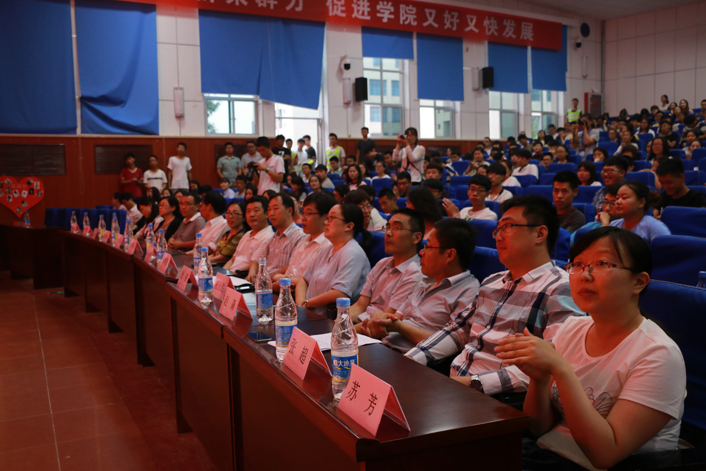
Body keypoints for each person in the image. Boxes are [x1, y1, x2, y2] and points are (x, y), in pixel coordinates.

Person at [500, 227, 685, 471]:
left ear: (638, 282)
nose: (584, 275)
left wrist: (560, 369)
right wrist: (540, 378)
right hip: (545, 454)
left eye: (601, 263)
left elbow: (605, 455)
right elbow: (538, 427)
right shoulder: (572, 328)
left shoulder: (658, 354)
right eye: (577, 264)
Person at [406, 195, 584, 398]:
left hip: (499, 398)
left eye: (507, 227)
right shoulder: (492, 281)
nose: (498, 237)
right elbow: (458, 329)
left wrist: (470, 384)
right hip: (455, 383)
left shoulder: (561, 288)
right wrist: (410, 360)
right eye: (497, 230)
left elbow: (554, 364)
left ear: (540, 233)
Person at [361, 217, 482, 355]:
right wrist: (379, 319)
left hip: (412, 359)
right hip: (383, 348)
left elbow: (451, 344)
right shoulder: (425, 281)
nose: (421, 252)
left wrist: (399, 327)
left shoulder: (469, 292)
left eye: (428, 247)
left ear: (450, 255)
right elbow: (396, 318)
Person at [348, 208, 423, 328]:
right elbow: (360, 306)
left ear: (416, 238)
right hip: (360, 325)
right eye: (388, 227)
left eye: (397, 228)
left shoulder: (415, 273)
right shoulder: (382, 263)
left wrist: (345, 331)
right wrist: (339, 323)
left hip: (377, 332)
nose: (388, 233)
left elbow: (387, 319)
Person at [295, 203, 371, 319]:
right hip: (309, 312)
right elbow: (303, 280)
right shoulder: (327, 249)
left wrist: (307, 304)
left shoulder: (352, 253)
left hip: (329, 319)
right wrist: (300, 303)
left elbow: (339, 293)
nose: (326, 222)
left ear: (349, 226)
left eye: (331, 218)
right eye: (327, 218)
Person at [271, 192, 336, 291]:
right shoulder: (303, 240)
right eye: (303, 213)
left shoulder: (328, 246)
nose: (303, 218)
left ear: (326, 217)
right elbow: (291, 270)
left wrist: (283, 281)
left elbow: (313, 283)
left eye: (309, 213)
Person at [246, 192, 305, 281]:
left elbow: (293, 266)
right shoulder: (274, 236)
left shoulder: (300, 236)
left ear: (289, 211)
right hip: (265, 282)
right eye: (269, 209)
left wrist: (267, 278)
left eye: (276, 208)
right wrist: (252, 274)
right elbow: (258, 259)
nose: (271, 213)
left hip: (281, 284)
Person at [224, 196, 274, 273]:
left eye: (256, 210)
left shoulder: (268, 237)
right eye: (248, 211)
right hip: (231, 274)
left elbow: (254, 268)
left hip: (241, 276)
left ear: (267, 214)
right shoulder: (247, 234)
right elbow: (232, 260)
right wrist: (222, 274)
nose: (251, 215)